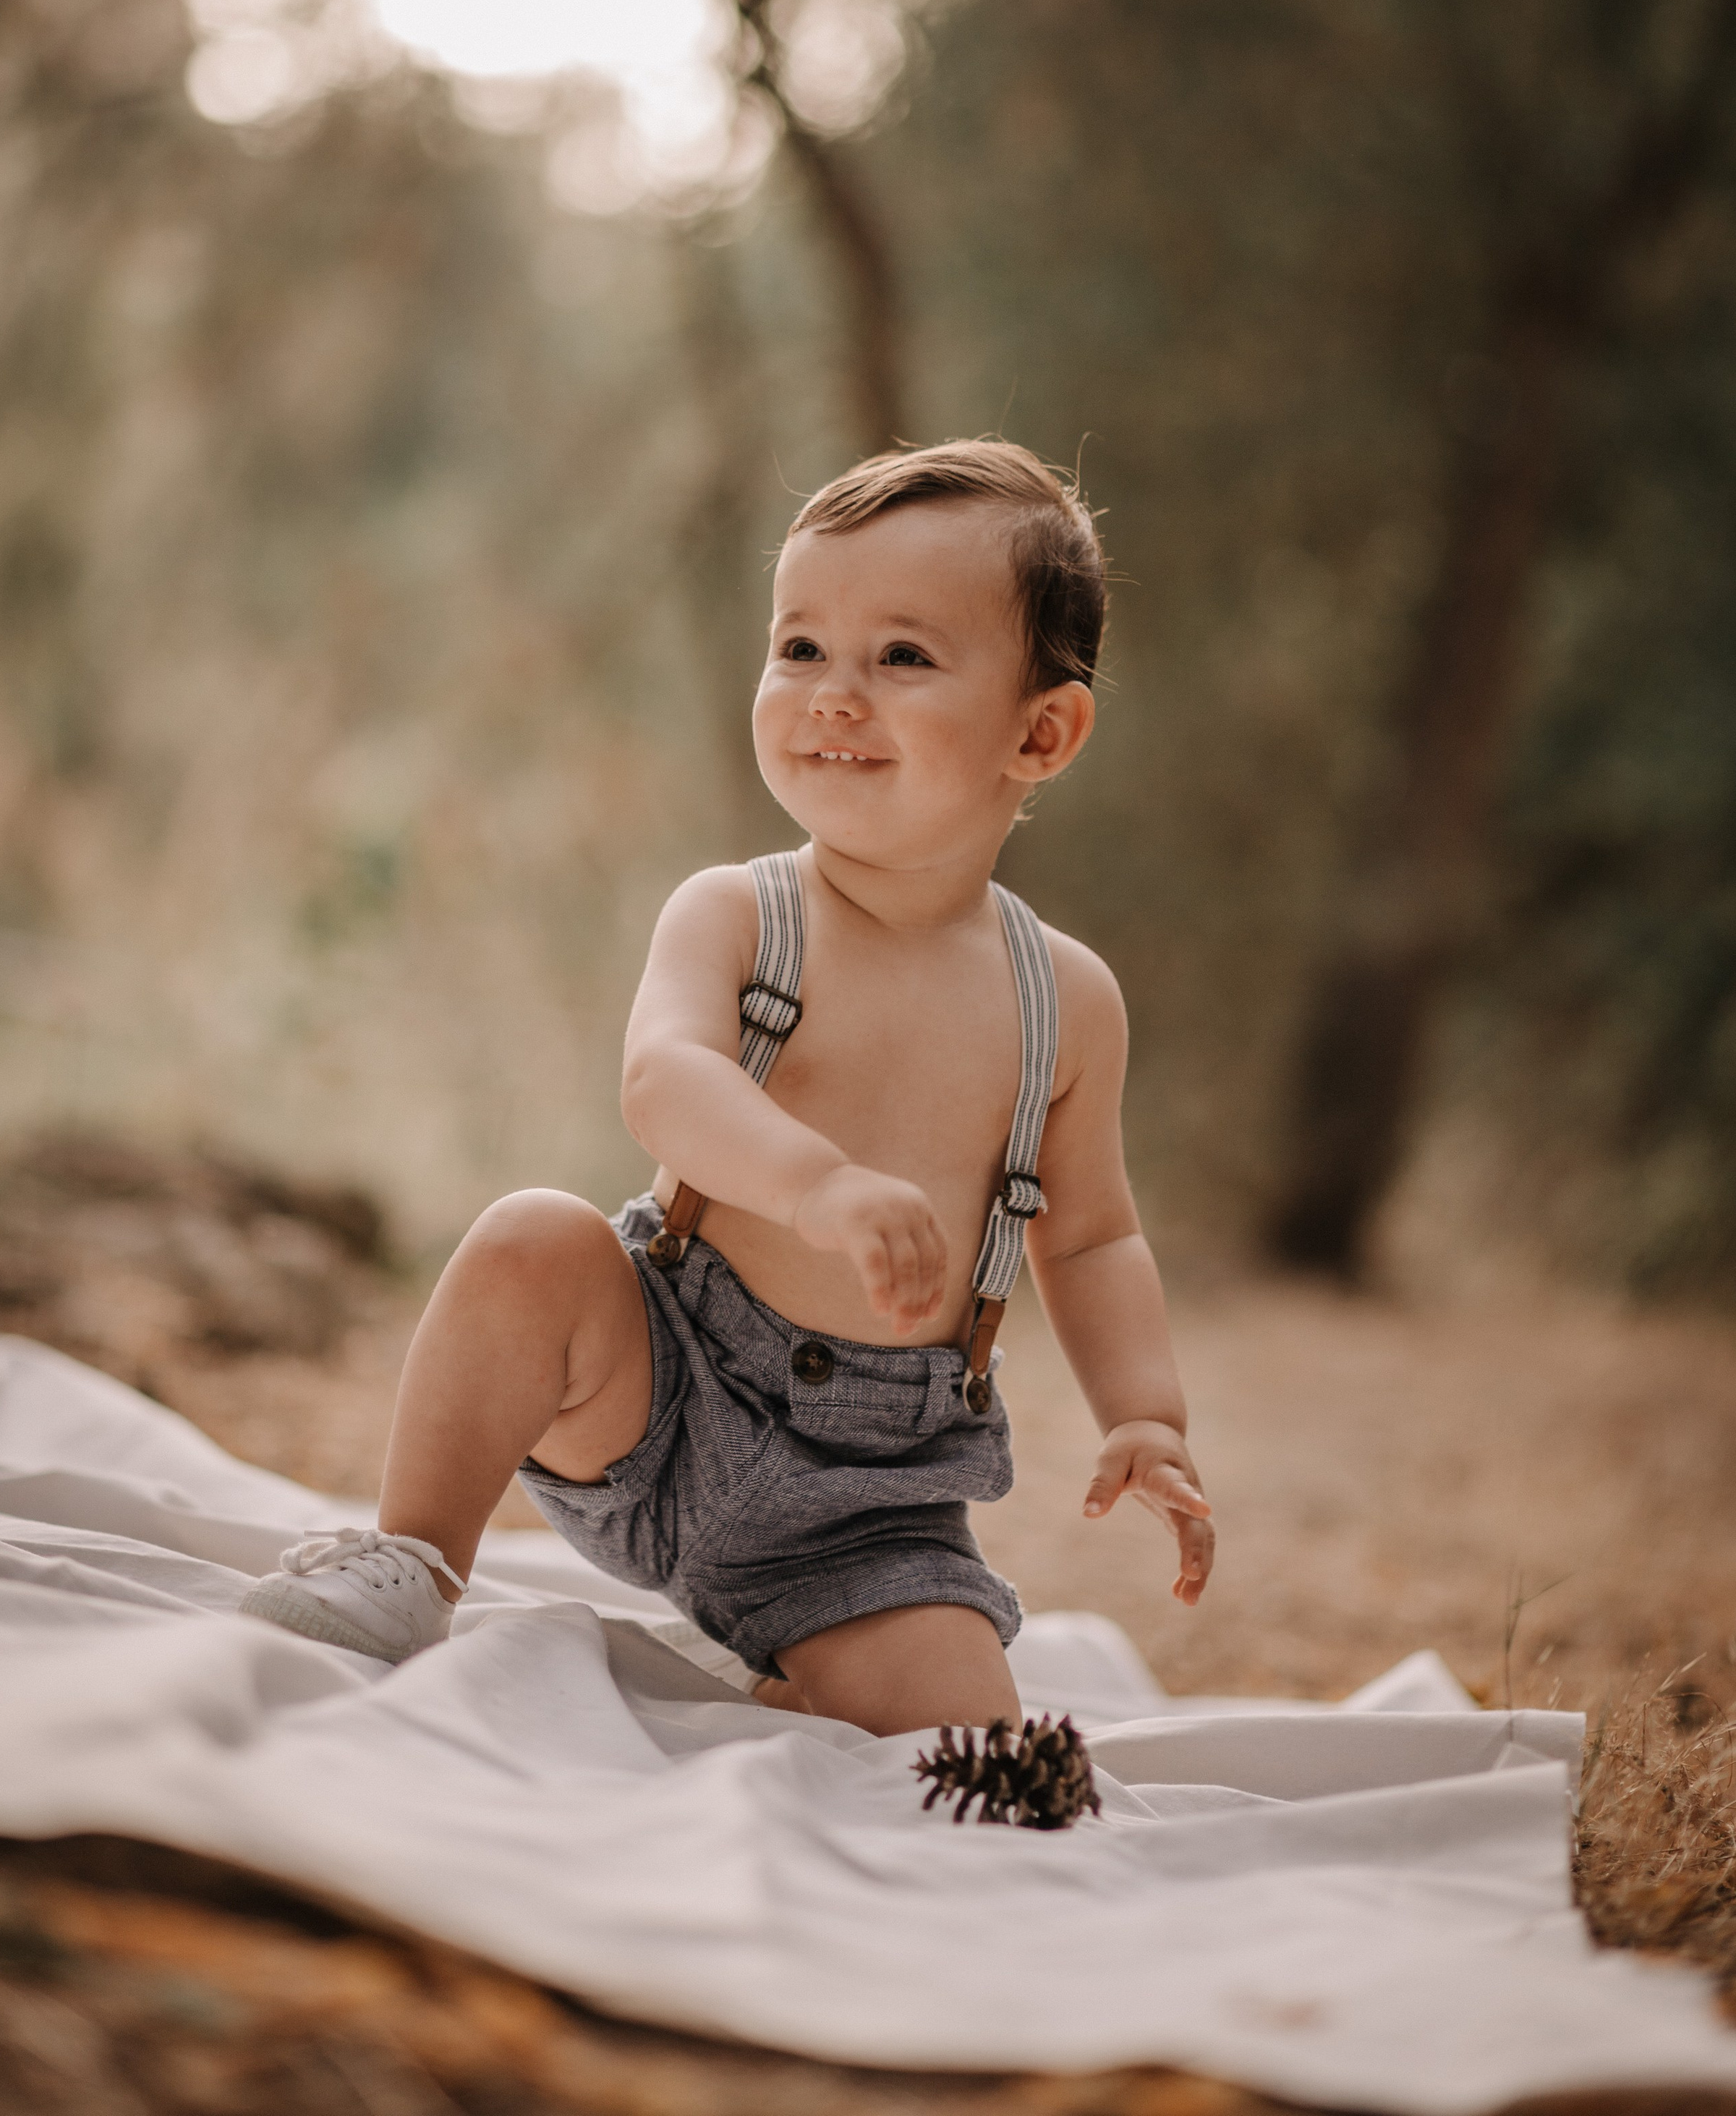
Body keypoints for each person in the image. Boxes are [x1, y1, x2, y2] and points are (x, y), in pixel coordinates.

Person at [242, 441, 1213, 1738]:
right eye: (801, 648)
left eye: (902, 658)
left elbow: (1090, 1234)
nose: (831, 695)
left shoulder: (1065, 1001)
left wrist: (1145, 1413)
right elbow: (666, 1079)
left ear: (1042, 731)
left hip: (870, 1502)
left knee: (972, 1740)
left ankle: (803, 1659)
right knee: (535, 1239)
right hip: (661, 1386)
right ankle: (413, 1557)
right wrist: (816, 1183)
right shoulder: (741, 914)